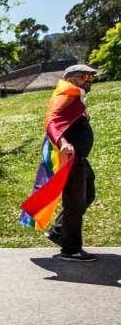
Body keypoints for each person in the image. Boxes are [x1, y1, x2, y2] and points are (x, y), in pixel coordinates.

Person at [43, 64, 99, 262]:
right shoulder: (64, 95)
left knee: (88, 195)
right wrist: (63, 142)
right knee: (75, 203)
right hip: (71, 159)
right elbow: (52, 121)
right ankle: (70, 249)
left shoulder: (74, 97)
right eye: (85, 77)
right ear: (70, 79)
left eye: (91, 78)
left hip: (80, 159)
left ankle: (59, 231)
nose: (89, 81)